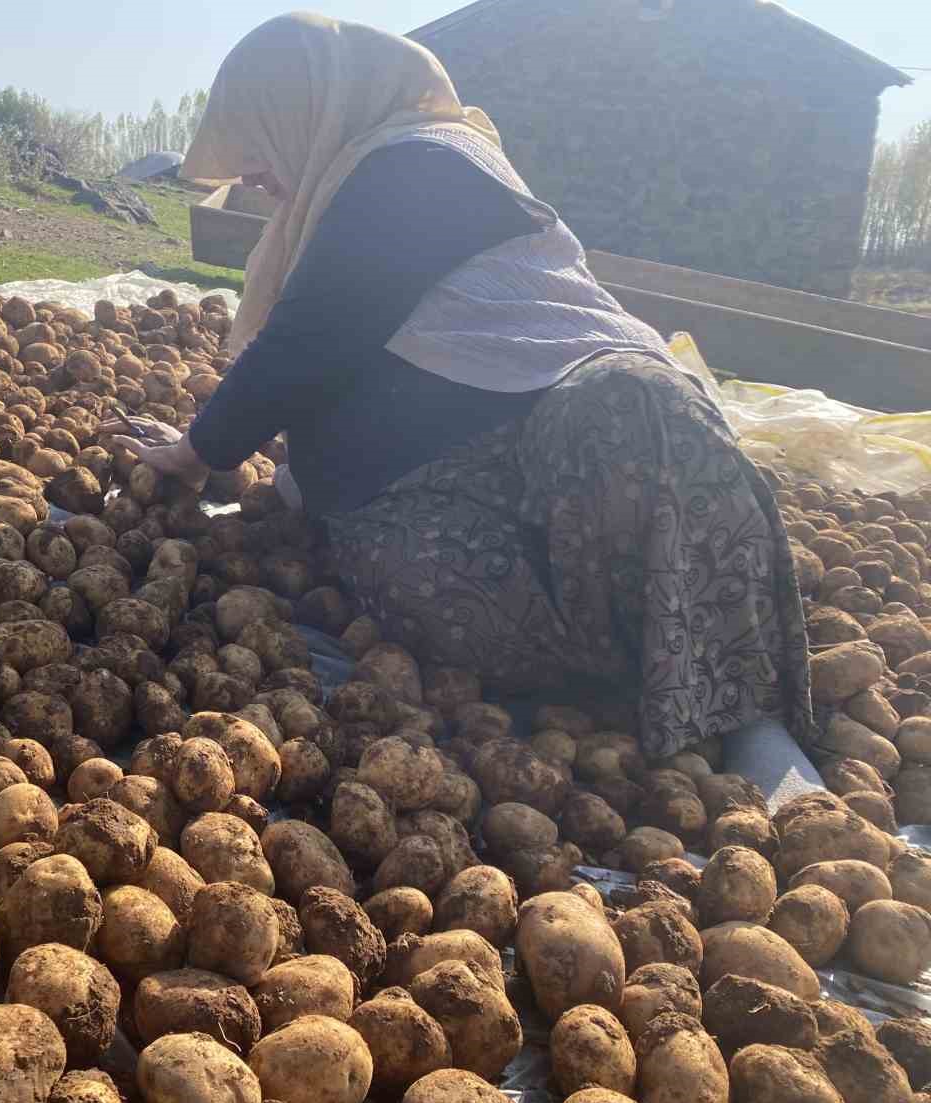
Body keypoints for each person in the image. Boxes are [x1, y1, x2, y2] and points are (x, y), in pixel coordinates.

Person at [109, 12, 813, 771]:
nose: (248, 173)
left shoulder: (417, 163)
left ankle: (739, 710)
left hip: (566, 445)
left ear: (314, 104)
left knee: (641, 406)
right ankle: (623, 685)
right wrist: (274, 470)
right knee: (398, 560)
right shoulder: (335, 195)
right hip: (476, 492)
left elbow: (313, 337)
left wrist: (197, 450)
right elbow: (340, 354)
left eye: (257, 134)